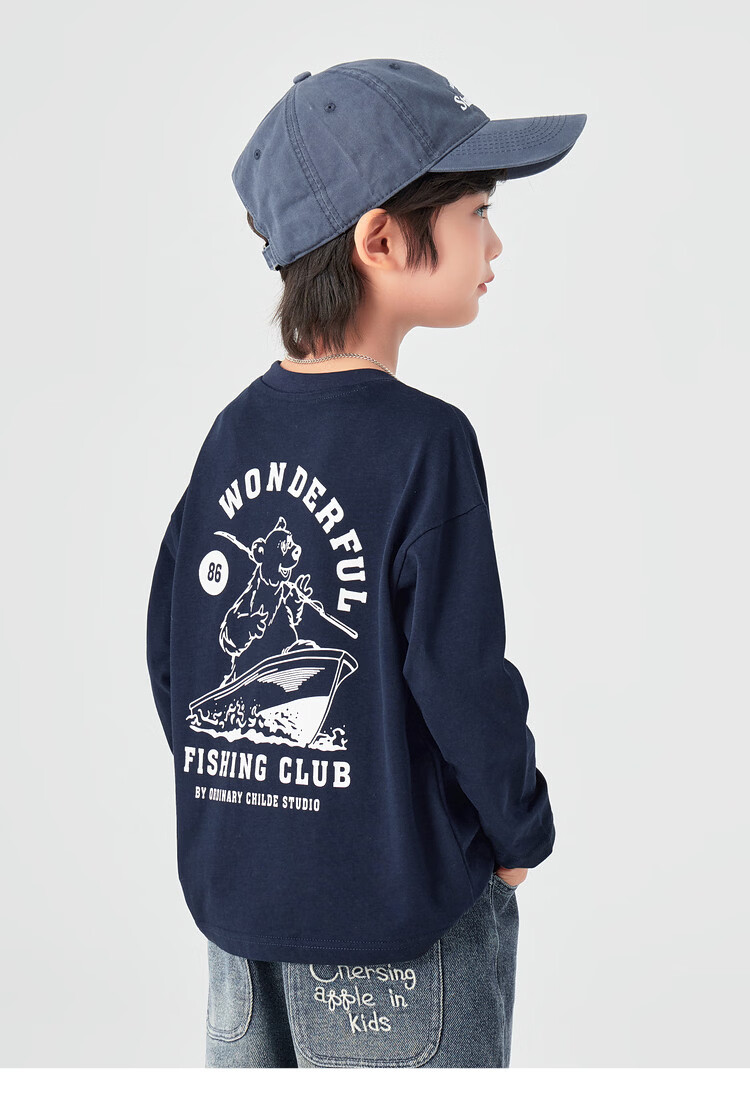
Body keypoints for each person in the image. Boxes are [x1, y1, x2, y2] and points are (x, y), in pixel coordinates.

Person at [146, 57, 587, 1069]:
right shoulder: (426, 443)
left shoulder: (231, 434)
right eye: (478, 211)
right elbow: (460, 675)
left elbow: (171, 650)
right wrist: (518, 830)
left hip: (239, 921)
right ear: (381, 238)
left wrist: (250, 803)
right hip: (400, 932)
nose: (495, 243)